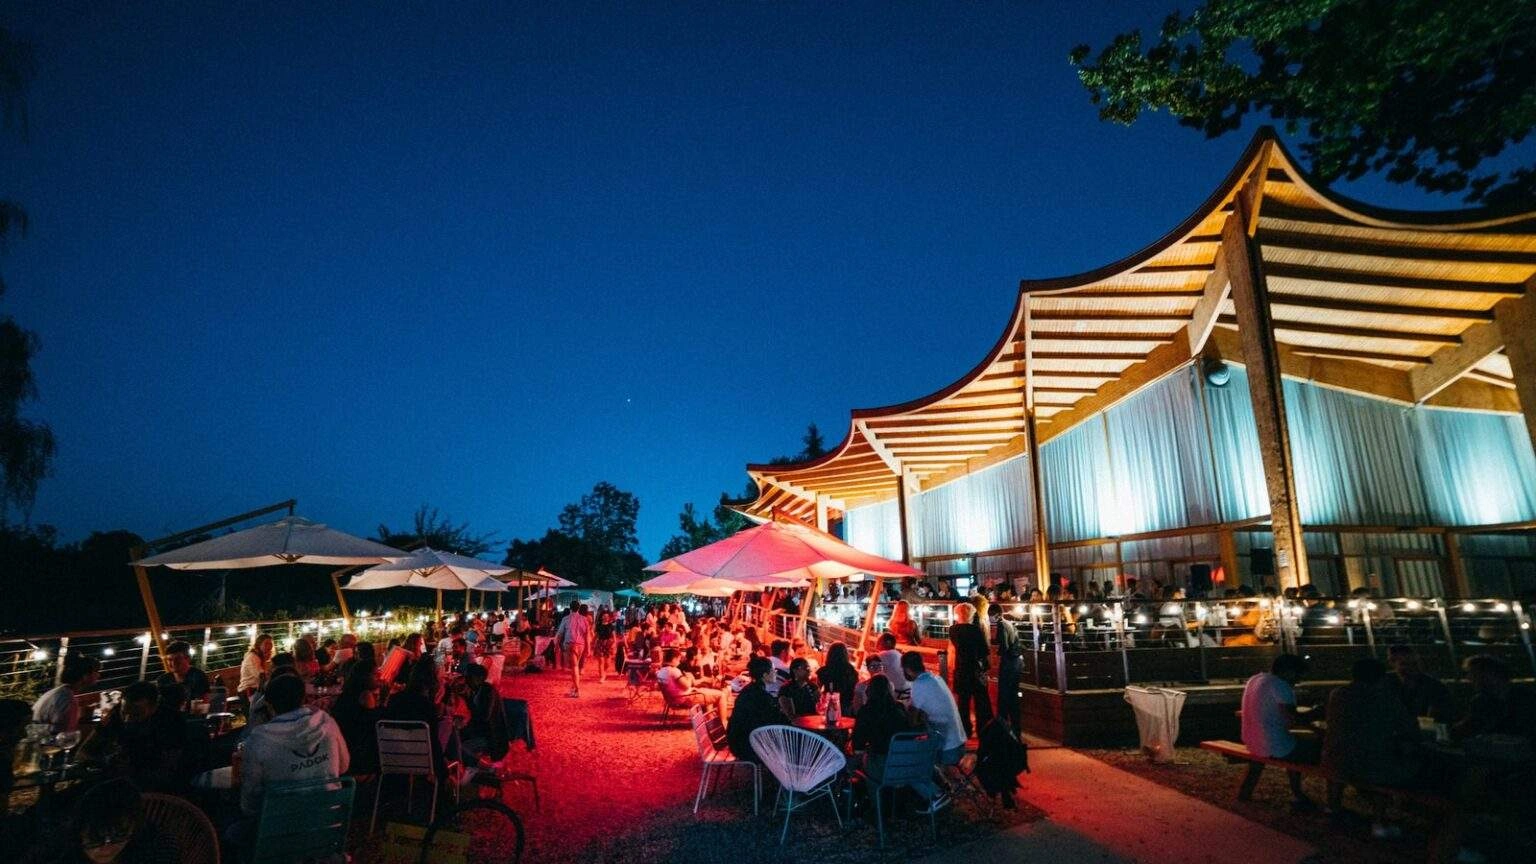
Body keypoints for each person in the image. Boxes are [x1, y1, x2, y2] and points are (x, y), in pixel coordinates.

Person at [1322, 657, 1420, 837]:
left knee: (1340, 753)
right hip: (1372, 765)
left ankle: (1333, 806)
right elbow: (1410, 727)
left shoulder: (1338, 694)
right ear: (1381, 678)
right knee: (1392, 762)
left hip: (1335, 761)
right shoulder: (1386, 698)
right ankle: (1380, 821)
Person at [240, 674, 349, 817]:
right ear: (304, 698)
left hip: (278, 828)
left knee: (231, 830)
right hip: (328, 820)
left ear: (270, 706)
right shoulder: (327, 723)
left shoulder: (259, 740)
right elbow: (343, 766)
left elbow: (251, 798)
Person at [77, 681, 192, 794]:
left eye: (136, 714)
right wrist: (104, 763)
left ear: (154, 707)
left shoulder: (172, 721)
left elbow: (168, 769)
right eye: (124, 712)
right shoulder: (115, 714)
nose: (127, 719)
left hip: (154, 790)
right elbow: (83, 751)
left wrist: (131, 770)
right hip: (112, 780)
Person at [1241, 653, 1318, 809]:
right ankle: (1308, 797)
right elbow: (1293, 719)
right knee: (1324, 751)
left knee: (1291, 741)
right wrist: (1316, 713)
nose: (1299, 681)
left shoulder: (1255, 679)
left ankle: (1246, 791)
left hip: (1252, 741)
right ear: (1288, 672)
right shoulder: (1281, 686)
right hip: (1273, 746)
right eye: (1298, 675)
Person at [51, 777, 176, 864]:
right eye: (95, 839)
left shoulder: (155, 848)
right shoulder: (57, 852)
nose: (107, 848)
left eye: (119, 835)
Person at [902, 651, 965, 810]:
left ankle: (935, 794)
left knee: (909, 760)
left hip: (947, 749)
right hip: (958, 741)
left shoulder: (918, 685)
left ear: (908, 669)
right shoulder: (935, 678)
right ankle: (943, 784)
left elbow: (912, 719)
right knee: (921, 747)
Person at [383, 659, 449, 779]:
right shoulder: (427, 706)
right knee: (448, 724)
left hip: (392, 758)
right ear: (432, 680)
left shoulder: (394, 700)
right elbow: (433, 743)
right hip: (422, 761)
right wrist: (442, 770)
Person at [1453, 654, 1536, 744]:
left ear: (1492, 674)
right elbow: (1468, 727)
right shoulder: (1481, 701)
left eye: (1474, 674)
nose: (1470, 679)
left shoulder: (1525, 698)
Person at [851, 675, 913, 783]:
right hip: (903, 761)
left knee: (849, 763)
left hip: (881, 765)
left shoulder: (866, 711)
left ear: (869, 691)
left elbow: (858, 746)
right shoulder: (899, 708)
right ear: (890, 690)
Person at [726, 657, 785, 764]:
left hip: (737, 740)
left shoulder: (751, 689)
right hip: (746, 746)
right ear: (765, 675)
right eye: (773, 670)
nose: (776, 673)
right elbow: (774, 718)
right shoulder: (759, 695)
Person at [329, 660, 383, 776]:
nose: (379, 676)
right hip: (359, 755)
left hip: (343, 748)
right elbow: (375, 726)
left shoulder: (347, 694)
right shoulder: (365, 696)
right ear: (365, 677)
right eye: (375, 674)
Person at [948, 602, 993, 739]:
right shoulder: (976, 630)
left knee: (963, 702)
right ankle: (983, 729)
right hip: (975, 669)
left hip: (961, 668)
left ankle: (965, 729)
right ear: (971, 614)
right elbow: (984, 650)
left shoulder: (953, 630)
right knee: (981, 701)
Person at [33, 654, 102, 734]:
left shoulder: (57, 692)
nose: (99, 675)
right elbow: (65, 736)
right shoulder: (68, 700)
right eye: (96, 671)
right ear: (85, 676)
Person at [458, 663, 508, 769]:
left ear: (480, 678)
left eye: (469, 677)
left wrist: (468, 700)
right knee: (455, 738)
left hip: (491, 737)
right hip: (482, 732)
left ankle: (482, 767)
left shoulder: (488, 691)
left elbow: (484, 717)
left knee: (458, 747)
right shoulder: (477, 690)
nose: (467, 681)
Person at [656, 649, 729, 717]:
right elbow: (687, 685)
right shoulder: (673, 671)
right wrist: (689, 678)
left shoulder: (661, 671)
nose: (679, 662)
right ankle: (723, 723)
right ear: (674, 659)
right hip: (684, 698)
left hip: (673, 699)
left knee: (709, 693)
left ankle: (709, 717)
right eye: (678, 660)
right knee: (721, 695)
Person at [992, 603, 1023, 736]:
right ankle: (1016, 729)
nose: (990, 619)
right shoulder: (1009, 623)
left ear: (996, 614)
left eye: (990, 616)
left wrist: (997, 655)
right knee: (1013, 696)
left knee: (1004, 696)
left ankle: (1003, 728)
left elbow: (1004, 645)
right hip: (1016, 662)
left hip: (1008, 662)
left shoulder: (1001, 624)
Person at [555, 601, 592, 698]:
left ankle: (577, 689)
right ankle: (574, 687)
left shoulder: (566, 619)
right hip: (581, 645)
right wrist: (588, 648)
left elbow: (560, 634)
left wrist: (556, 645)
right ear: (578, 608)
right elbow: (587, 634)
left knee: (574, 667)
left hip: (570, 644)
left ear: (570, 608)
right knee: (575, 667)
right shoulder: (584, 619)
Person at [816, 643, 858, 714]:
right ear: (845, 654)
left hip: (830, 704)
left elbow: (818, 689)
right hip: (847, 705)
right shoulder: (851, 671)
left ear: (829, 654)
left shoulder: (824, 670)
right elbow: (855, 688)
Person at [875, 633, 909, 702]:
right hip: (906, 694)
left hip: (894, 695)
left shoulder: (883, 655)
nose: (877, 644)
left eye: (880, 642)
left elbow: (873, 674)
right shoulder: (899, 655)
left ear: (888, 643)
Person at [594, 610, 617, 684]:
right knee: (601, 661)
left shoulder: (611, 626)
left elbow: (614, 637)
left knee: (607, 663)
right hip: (600, 643)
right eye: (604, 616)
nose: (605, 617)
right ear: (601, 617)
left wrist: (614, 644)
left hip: (609, 644)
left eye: (607, 616)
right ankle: (602, 676)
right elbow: (596, 636)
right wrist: (592, 643)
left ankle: (604, 672)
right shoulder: (598, 625)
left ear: (609, 617)